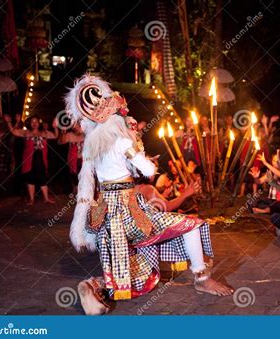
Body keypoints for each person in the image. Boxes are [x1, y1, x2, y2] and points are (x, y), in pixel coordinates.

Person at [65, 75, 233, 315]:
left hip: (105, 216)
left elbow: (88, 184)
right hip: (130, 213)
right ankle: (202, 278)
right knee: (192, 224)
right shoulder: (123, 141)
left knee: (143, 273)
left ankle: (94, 285)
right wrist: (140, 153)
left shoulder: (91, 145)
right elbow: (147, 171)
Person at [4, 114, 58, 205]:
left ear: (39, 123)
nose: (34, 123)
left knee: (42, 179)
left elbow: (55, 136)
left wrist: (55, 127)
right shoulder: (26, 132)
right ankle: (31, 199)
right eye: (32, 121)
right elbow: (14, 131)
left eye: (36, 121)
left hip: (41, 159)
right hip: (29, 160)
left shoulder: (44, 132)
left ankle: (46, 198)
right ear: (29, 123)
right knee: (30, 179)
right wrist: (9, 122)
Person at [59, 123, 85, 193]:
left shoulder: (85, 134)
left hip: (84, 159)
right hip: (73, 159)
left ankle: (81, 192)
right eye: (74, 125)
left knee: (83, 176)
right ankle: (76, 191)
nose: (76, 127)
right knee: (74, 175)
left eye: (78, 125)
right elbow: (62, 142)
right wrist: (63, 133)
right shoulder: (69, 135)